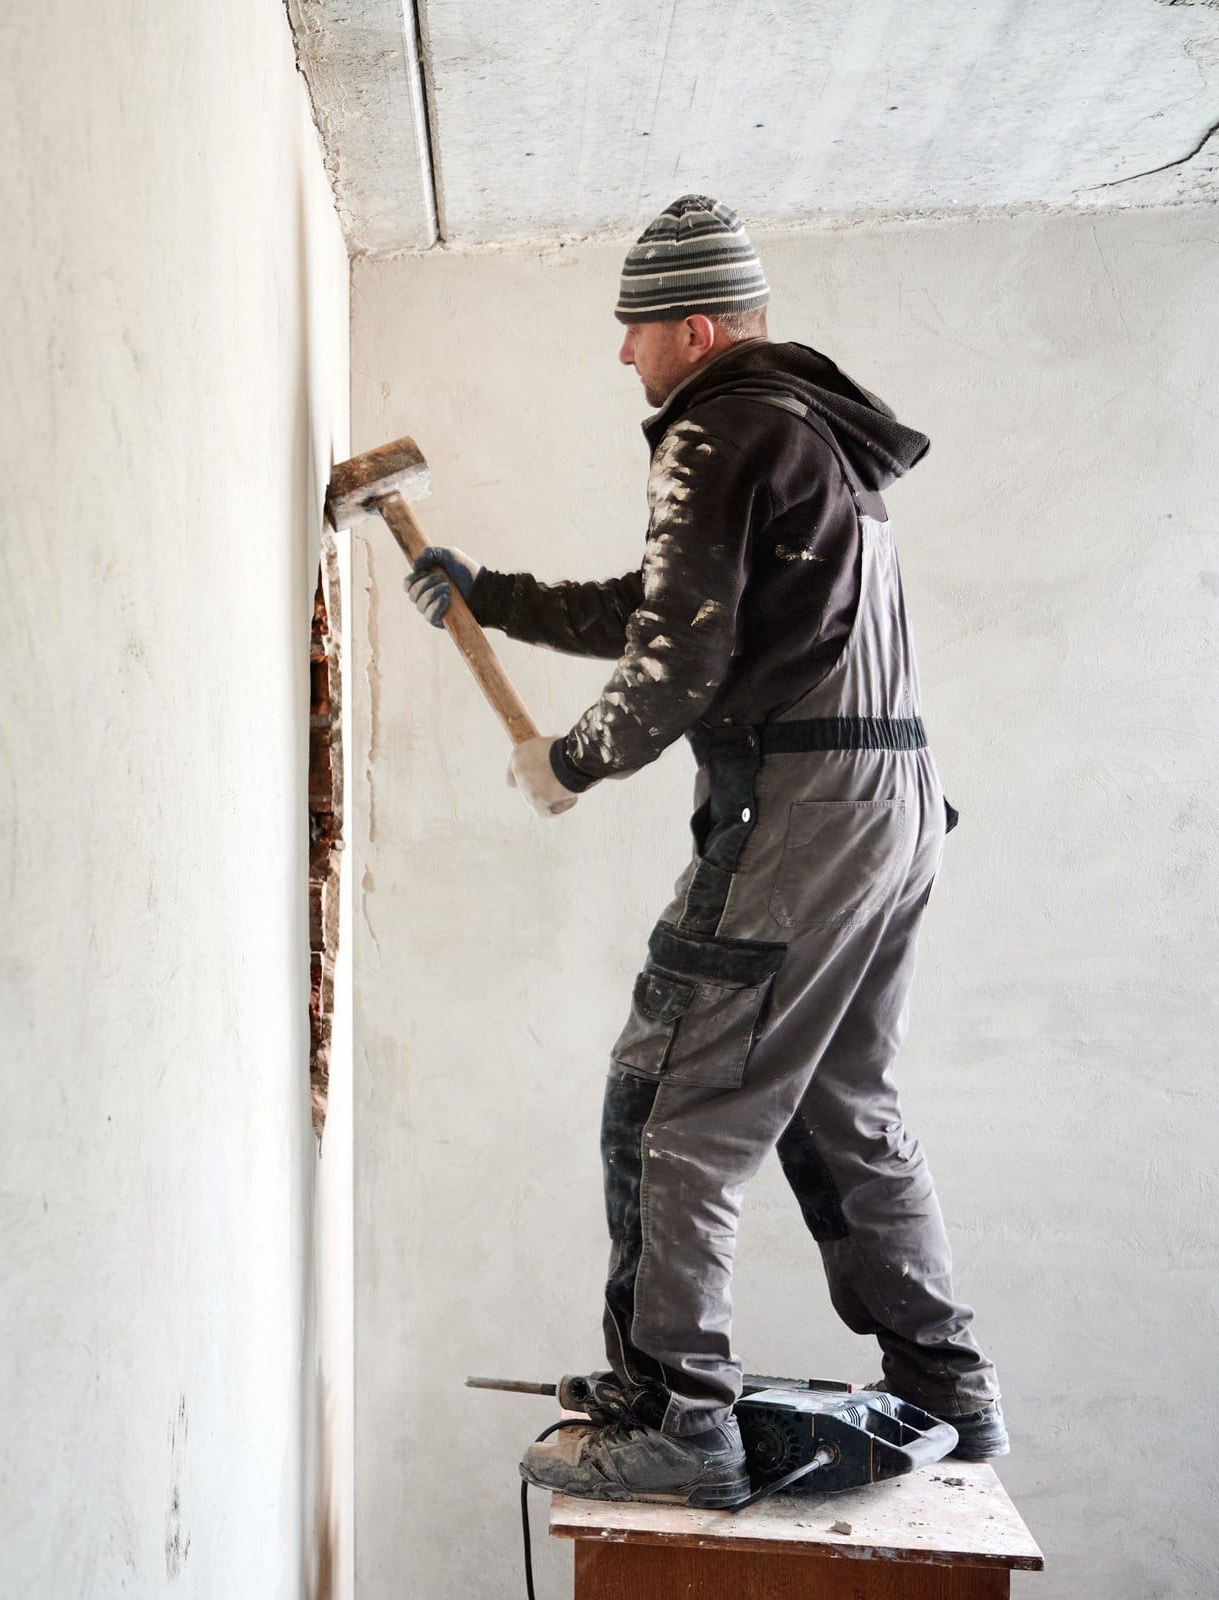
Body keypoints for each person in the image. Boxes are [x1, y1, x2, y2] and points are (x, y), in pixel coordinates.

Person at [403, 195, 1004, 1507]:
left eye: (633, 328)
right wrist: (487, 594)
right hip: (893, 807)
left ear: (695, 325)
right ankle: (949, 1382)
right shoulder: (811, 436)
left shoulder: (718, 425)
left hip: (800, 813)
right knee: (847, 1104)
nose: (623, 355)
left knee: (672, 1107)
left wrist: (573, 758)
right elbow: (662, 608)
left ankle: (680, 1412)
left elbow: (678, 659)